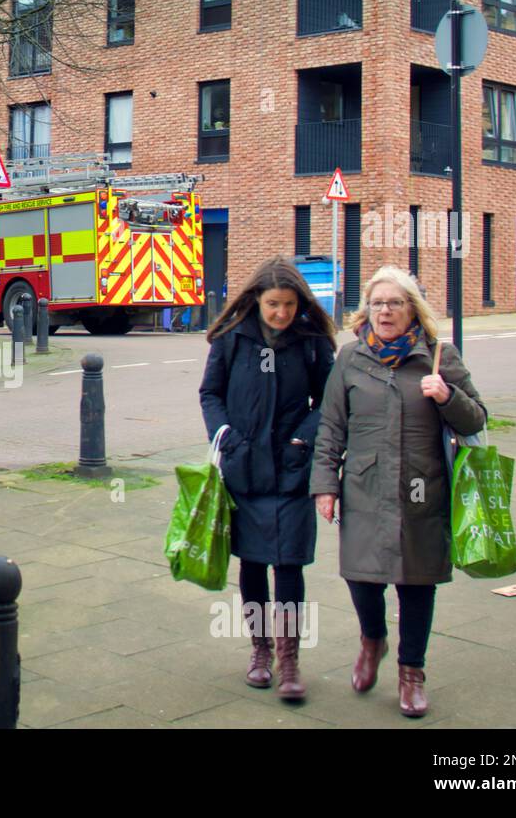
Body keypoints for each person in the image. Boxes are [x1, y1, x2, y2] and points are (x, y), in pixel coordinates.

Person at [310, 266, 486, 717]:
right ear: (366, 309)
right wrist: (325, 485)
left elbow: (477, 419)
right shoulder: (350, 358)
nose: (385, 311)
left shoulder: (438, 357)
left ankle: (412, 673)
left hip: (421, 488)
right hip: (364, 486)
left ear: (414, 311)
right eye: (377, 303)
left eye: (395, 303)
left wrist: (447, 396)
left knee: (417, 582)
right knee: (360, 574)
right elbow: (331, 425)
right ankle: (373, 639)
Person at [199, 257, 337, 700]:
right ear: (256, 299)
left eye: (290, 305)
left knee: (290, 565)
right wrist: (226, 437)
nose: (282, 313)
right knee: (253, 564)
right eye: (274, 304)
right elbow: (210, 393)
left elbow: (329, 401)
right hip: (245, 467)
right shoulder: (230, 338)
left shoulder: (312, 341)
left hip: (293, 470)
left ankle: (290, 658)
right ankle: (260, 650)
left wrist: (303, 439)